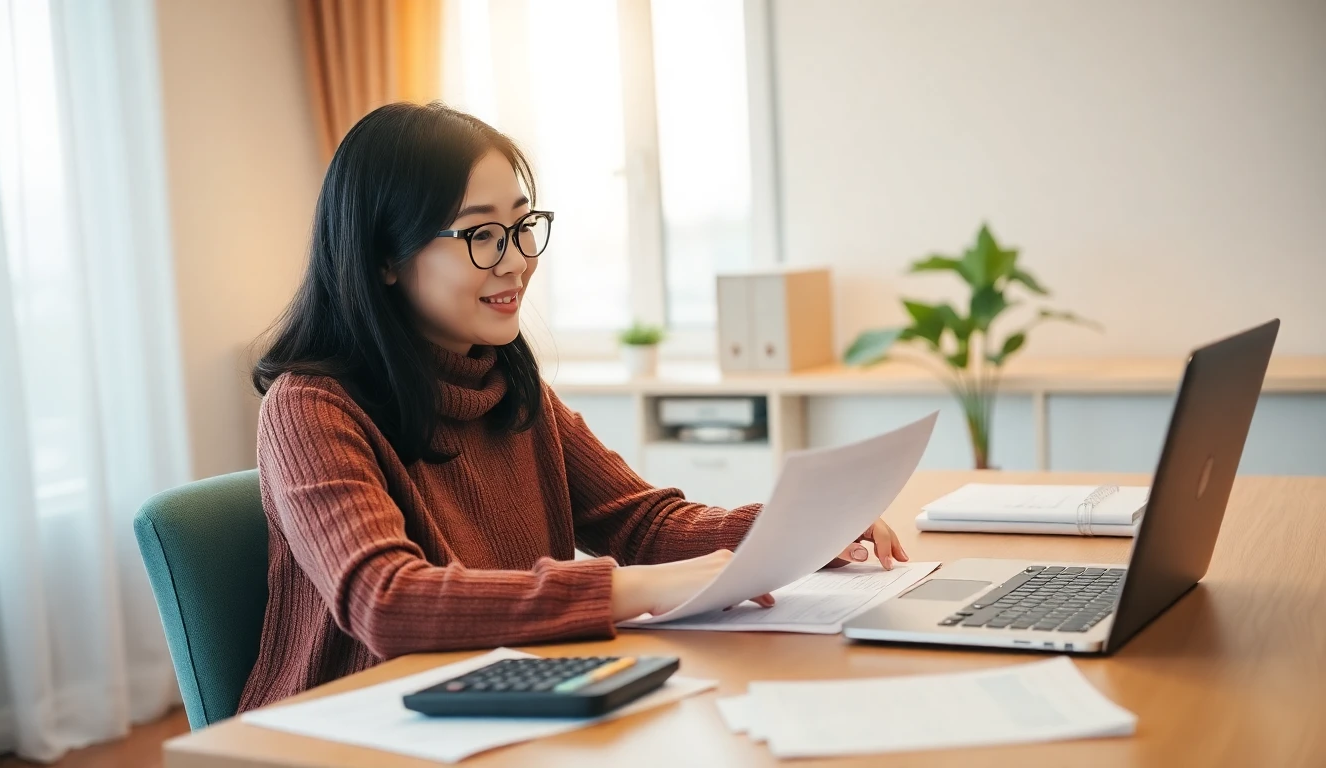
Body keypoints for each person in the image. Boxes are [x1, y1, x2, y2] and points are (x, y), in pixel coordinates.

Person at [237, 102, 908, 710]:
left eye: (523, 226)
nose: (516, 262)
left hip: (503, 700)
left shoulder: (505, 385)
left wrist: (794, 533)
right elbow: (387, 601)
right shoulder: (313, 408)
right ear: (386, 256)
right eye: (482, 236)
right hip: (357, 725)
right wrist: (634, 588)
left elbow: (643, 523)